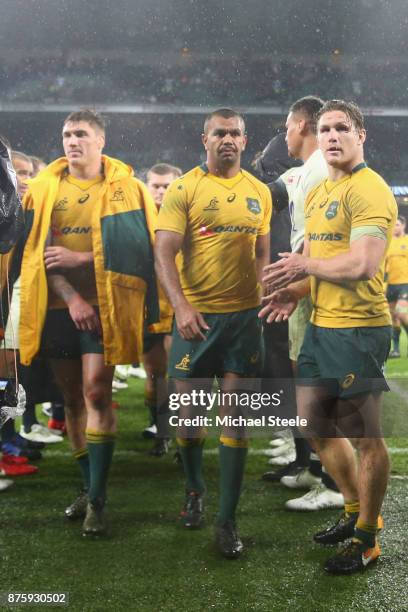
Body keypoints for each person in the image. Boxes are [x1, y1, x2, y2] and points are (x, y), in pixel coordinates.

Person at [260, 99, 397, 574]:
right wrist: (295, 291)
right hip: (321, 324)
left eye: (342, 128)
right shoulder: (318, 192)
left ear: (361, 135)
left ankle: (368, 536)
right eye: (325, 129)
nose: (333, 136)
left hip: (359, 329)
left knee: (365, 437)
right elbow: (320, 263)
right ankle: (351, 510)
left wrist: (304, 266)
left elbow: (363, 264)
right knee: (316, 426)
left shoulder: (371, 189)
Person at [16, 109, 158, 536]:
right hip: (59, 308)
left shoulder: (129, 190)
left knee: (97, 392)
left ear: (101, 140)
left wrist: (82, 259)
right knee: (72, 398)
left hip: (109, 306)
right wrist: (73, 296)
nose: (71, 140)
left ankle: (98, 500)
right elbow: (35, 256)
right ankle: (88, 485)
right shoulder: (42, 191)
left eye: (81, 133)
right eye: (66, 134)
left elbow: (140, 253)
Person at [155, 108, 272, 559]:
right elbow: (164, 254)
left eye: (235, 133)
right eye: (219, 132)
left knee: (236, 423)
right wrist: (181, 306)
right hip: (195, 320)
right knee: (187, 418)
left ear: (245, 141)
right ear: (203, 138)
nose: (227, 139)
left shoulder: (259, 192)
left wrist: (264, 293)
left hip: (244, 322)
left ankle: (227, 520)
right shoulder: (185, 188)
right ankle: (194, 488)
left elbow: (261, 251)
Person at [142, 163, 182, 455]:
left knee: (181, 374)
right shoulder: (138, 219)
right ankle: (161, 429)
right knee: (155, 375)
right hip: (149, 309)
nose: (160, 190)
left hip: (181, 307)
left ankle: (183, 436)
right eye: (155, 185)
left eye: (167, 185)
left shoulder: (188, 215)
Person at [385, 216, 408, 357]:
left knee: (402, 313)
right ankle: (396, 349)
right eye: (393, 225)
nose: (395, 228)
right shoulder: (388, 243)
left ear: (404, 226)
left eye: (398, 225)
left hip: (405, 284)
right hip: (391, 285)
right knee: (394, 318)